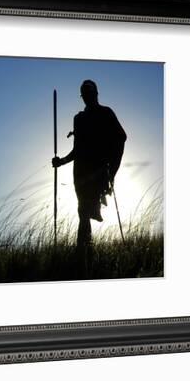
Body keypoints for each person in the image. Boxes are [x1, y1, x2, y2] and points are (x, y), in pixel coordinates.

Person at [52, 80, 126, 278]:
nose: (87, 95)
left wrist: (112, 170)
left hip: (98, 171)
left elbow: (121, 137)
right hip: (80, 174)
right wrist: (61, 162)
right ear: (82, 96)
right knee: (82, 212)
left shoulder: (106, 113)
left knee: (84, 213)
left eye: (89, 92)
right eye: (84, 93)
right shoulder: (79, 119)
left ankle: (81, 259)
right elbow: (77, 150)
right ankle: (86, 257)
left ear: (96, 93)